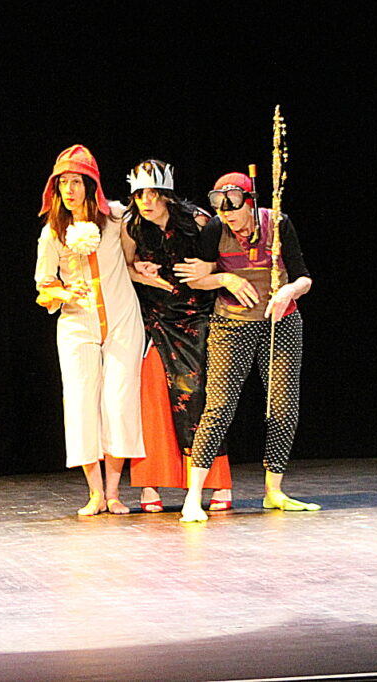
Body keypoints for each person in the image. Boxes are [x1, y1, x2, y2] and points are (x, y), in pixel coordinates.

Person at [173, 173, 319, 523]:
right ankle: (193, 498)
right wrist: (227, 278)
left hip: (279, 323)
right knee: (219, 409)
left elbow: (304, 277)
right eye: (221, 210)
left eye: (234, 209)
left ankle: (274, 490)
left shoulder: (279, 223)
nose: (228, 216)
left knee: (283, 407)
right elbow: (200, 277)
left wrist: (288, 291)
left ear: (250, 201)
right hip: (231, 325)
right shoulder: (214, 230)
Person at [34, 144, 146, 515]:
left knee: (119, 401)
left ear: (90, 185)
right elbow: (43, 286)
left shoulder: (115, 218)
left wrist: (142, 269)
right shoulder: (52, 233)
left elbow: (131, 259)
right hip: (77, 324)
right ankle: (95, 493)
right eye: (63, 182)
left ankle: (114, 493)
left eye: (76, 182)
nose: (70, 189)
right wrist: (65, 291)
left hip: (122, 320)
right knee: (82, 404)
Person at [122, 160, 233, 513]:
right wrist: (140, 272)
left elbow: (226, 260)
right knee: (151, 395)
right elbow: (124, 267)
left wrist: (209, 267)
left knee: (198, 396)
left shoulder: (198, 220)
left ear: (166, 195)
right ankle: (150, 481)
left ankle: (217, 482)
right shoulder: (131, 227)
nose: (147, 201)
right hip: (156, 319)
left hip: (196, 318)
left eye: (153, 194)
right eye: (140, 195)